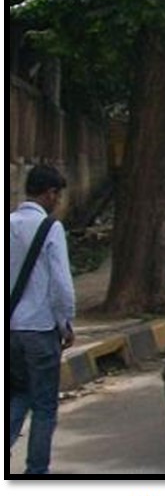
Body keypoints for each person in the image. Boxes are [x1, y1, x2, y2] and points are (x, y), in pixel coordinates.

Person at [9, 164, 75, 475]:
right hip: (41, 328)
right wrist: (66, 323)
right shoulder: (51, 228)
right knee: (45, 405)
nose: (58, 201)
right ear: (49, 194)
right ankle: (36, 471)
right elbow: (61, 284)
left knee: (17, 394)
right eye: (57, 195)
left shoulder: (8, 223)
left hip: (11, 329)